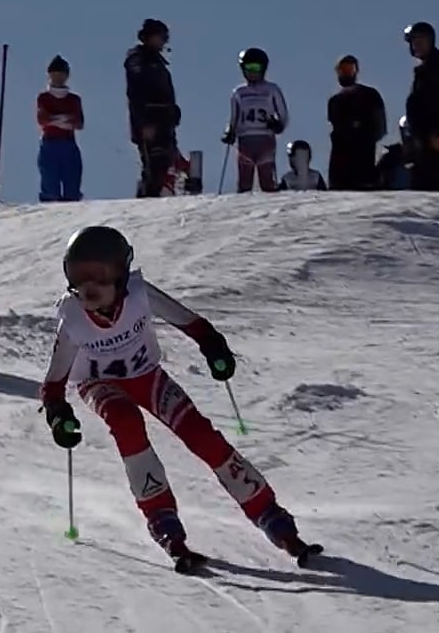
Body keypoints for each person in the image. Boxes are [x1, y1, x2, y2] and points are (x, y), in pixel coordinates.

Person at [40, 226, 322, 572]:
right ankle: (164, 523)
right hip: (100, 385)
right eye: (80, 276)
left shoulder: (140, 295)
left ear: (121, 274)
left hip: (147, 377)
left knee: (200, 434)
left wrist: (214, 349)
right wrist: (58, 415)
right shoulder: (72, 320)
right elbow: (54, 384)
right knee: (126, 423)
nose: (89, 287)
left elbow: (192, 323)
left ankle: (271, 516)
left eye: (100, 275)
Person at [124, 19, 181, 198]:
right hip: (149, 120)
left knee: (165, 161)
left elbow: (165, 92)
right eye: (159, 36)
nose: (163, 41)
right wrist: (144, 122)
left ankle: (156, 197)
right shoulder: (138, 60)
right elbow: (137, 93)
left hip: (164, 120)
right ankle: (146, 199)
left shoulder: (158, 63)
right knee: (154, 165)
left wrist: (173, 112)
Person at [221, 47, 287, 193]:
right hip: (245, 139)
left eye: (256, 68)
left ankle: (271, 207)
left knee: (267, 178)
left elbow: (282, 112)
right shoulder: (239, 92)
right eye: (248, 68)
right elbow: (234, 116)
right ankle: (242, 207)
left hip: (265, 138)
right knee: (245, 178)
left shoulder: (271, 89)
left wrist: (279, 124)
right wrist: (229, 131)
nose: (252, 72)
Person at [402, 22, 439, 191]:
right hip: (420, 130)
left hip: (432, 128)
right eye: (414, 42)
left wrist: (438, 128)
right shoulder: (425, 68)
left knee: (431, 175)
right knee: (420, 175)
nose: (416, 45)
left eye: (420, 41)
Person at [326, 54, 386, 190]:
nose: (346, 74)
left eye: (349, 69)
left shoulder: (370, 96)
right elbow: (336, 130)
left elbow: (379, 127)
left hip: (363, 163)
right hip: (341, 167)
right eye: (342, 70)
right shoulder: (335, 101)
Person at [36, 55, 84, 202]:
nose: (58, 78)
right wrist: (64, 119)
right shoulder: (44, 97)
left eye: (61, 74)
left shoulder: (73, 99)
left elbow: (79, 123)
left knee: (72, 184)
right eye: (55, 74)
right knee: (50, 184)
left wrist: (55, 119)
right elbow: (43, 119)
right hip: (50, 142)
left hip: (68, 142)